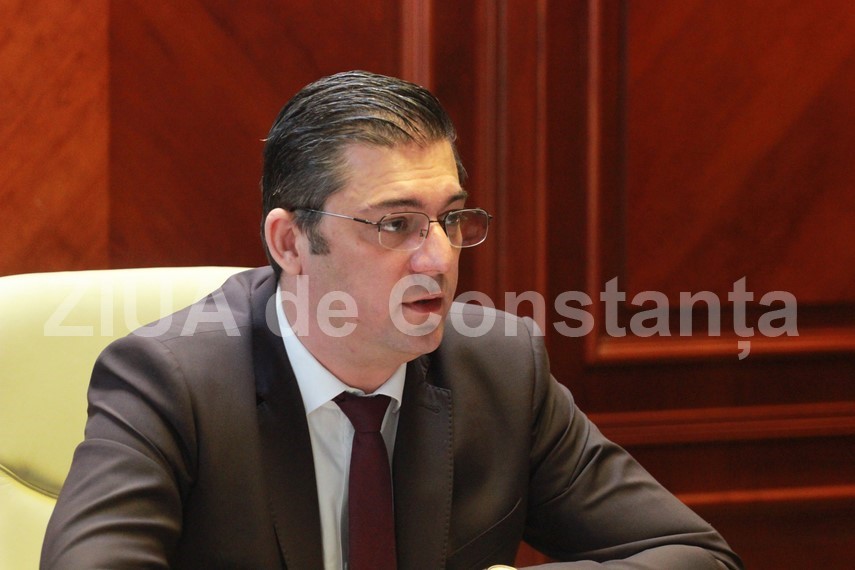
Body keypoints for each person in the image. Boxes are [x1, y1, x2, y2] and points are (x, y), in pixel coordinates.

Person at [41, 70, 742, 569]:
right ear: (290, 243)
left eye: (450, 218)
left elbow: (694, 555)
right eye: (395, 224)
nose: (438, 257)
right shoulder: (172, 382)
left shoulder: (499, 368)